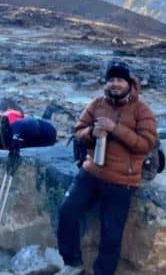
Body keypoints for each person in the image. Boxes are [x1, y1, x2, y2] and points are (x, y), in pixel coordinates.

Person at [56, 61, 157, 275]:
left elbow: (146, 144)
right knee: (67, 211)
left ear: (129, 83)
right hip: (91, 172)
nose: (115, 84)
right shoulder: (97, 104)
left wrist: (116, 129)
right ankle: (72, 264)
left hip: (122, 180)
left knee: (111, 234)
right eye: (111, 80)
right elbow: (78, 131)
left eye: (120, 80)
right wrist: (90, 133)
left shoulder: (142, 110)